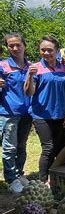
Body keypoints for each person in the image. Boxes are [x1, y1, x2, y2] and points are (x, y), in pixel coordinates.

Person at [24, 36, 65, 183]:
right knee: (48, 148)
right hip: (41, 115)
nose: (46, 53)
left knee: (59, 148)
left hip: (60, 114)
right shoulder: (35, 68)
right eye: (43, 50)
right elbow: (29, 92)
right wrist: (30, 76)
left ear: (57, 50)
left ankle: (56, 177)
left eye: (50, 50)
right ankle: (43, 181)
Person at [0, 33, 32, 193]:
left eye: (18, 45)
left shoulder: (30, 66)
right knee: (9, 148)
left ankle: (19, 174)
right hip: (8, 112)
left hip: (26, 112)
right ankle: (11, 179)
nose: (15, 48)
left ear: (24, 45)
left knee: (21, 146)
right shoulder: (3, 66)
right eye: (11, 45)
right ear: (7, 47)